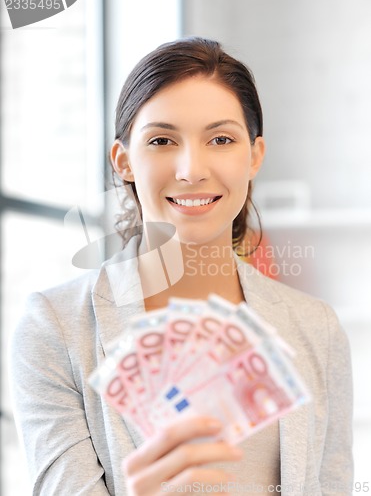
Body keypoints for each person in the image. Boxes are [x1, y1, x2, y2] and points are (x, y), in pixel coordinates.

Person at [10, 37, 353, 495]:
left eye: (221, 139)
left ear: (254, 156)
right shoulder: (54, 329)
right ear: (124, 160)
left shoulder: (317, 329)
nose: (192, 169)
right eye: (162, 140)